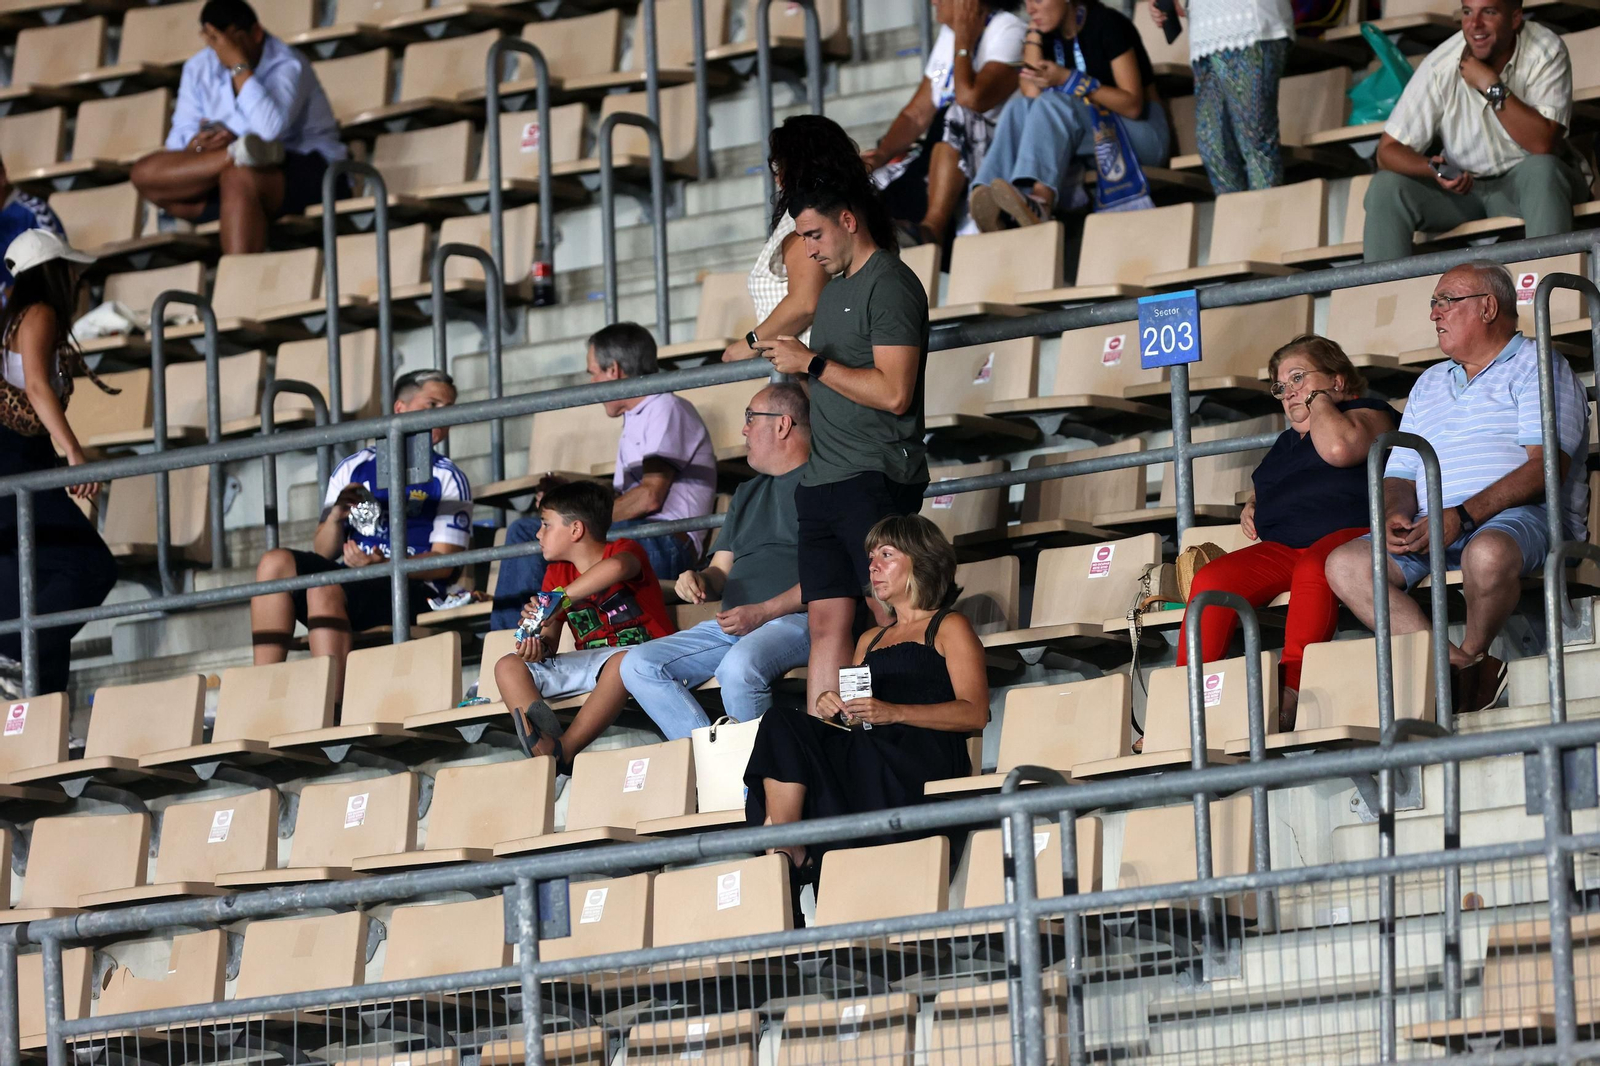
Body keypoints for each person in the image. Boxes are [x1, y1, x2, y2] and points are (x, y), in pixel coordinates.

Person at [1325, 262, 1589, 714]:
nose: (1435, 314)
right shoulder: (1429, 381)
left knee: (1485, 552)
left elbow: (1545, 467)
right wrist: (1393, 512)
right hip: (1435, 522)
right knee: (1346, 564)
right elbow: (1401, 474)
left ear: (1488, 307)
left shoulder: (1539, 362)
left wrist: (1463, 516)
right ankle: (1459, 666)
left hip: (1518, 516)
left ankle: (1476, 651)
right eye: (1434, 303)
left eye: (1446, 301)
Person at [743, 516, 988, 915]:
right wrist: (832, 709)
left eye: (886, 555)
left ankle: (790, 855)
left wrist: (895, 712)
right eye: (871, 557)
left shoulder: (948, 626)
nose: (873, 566)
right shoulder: (868, 639)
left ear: (921, 561)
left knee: (849, 752)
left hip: (919, 757)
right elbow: (857, 717)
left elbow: (975, 713)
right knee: (782, 722)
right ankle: (786, 849)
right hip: (868, 748)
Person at [757, 180, 931, 721]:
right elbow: (834, 385)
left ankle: (901, 722)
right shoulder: (831, 291)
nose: (807, 250)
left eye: (813, 235)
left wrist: (810, 363)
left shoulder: (892, 285)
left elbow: (895, 392)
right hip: (823, 479)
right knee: (826, 622)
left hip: (875, 472)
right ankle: (824, 738)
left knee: (891, 608)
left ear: (849, 221)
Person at [1176, 335, 1399, 728]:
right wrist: (1255, 504)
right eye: (1281, 386)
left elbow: (1340, 448)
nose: (1289, 392)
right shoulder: (1284, 444)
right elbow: (1274, 485)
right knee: (1212, 582)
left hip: (1352, 535)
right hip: (1283, 547)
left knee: (1316, 566)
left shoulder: (1368, 412)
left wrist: (1321, 401)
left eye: (1298, 378)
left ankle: (1290, 690)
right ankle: (1183, 705)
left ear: (1338, 380)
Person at [250, 369, 469, 696]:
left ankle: (333, 710)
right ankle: (261, 692)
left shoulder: (448, 477)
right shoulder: (353, 467)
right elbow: (323, 551)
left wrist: (384, 565)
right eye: (432, 404)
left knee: (323, 588)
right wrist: (337, 517)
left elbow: (445, 564)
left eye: (448, 407)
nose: (442, 415)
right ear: (400, 408)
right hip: (354, 579)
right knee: (275, 562)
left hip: (411, 588)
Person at [491, 323, 715, 631]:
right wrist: (569, 499)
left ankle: (514, 642)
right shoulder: (640, 414)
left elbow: (650, 495)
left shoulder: (664, 407)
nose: (592, 384)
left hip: (662, 541)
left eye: (593, 373)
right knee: (537, 532)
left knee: (530, 533)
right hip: (634, 534)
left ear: (614, 371)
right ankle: (525, 641)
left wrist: (578, 513)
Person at [618, 383, 812, 736]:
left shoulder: (822, 482)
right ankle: (715, 759)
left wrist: (765, 610)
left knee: (738, 668)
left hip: (797, 619)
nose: (744, 429)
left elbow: (832, 576)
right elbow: (720, 571)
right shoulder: (747, 492)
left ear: (783, 425)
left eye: (751, 418)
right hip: (736, 624)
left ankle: (754, 785)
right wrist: (698, 579)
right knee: (638, 665)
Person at [1362, 0, 1587, 263]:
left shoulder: (1546, 50)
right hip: (1464, 191)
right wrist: (1434, 169)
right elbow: (1387, 151)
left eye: (1489, 12)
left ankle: (1548, 294)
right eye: (1468, 12)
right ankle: (1383, 296)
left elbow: (1542, 144)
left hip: (1527, 184)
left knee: (1542, 169)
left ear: (1515, 18)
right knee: (1385, 186)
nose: (1474, 24)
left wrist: (1491, 84)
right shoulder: (1441, 63)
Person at [129, 0, 346, 255]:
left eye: (235, 41)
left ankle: (240, 290)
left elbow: (268, 131)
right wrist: (197, 145)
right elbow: (178, 143)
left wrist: (238, 66)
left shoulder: (288, 63)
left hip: (309, 166)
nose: (225, 51)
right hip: (224, 168)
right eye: (218, 43)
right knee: (143, 173)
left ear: (256, 33)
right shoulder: (197, 68)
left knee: (238, 178)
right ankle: (238, 153)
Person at [0, 230, 117, 698]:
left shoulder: (11, 317)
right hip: (15, 463)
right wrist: (73, 451)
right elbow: (35, 386)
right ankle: (11, 653)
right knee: (90, 567)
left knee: (34, 585)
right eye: (70, 269)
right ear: (54, 272)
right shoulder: (40, 313)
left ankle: (43, 713)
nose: (76, 279)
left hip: (20, 461)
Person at [494, 480, 675, 772]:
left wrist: (559, 600)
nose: (538, 534)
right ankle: (544, 745)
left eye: (546, 525)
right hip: (591, 663)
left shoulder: (625, 549)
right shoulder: (555, 573)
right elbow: (551, 642)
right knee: (507, 666)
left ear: (576, 530)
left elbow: (616, 569)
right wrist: (536, 648)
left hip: (644, 654)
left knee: (620, 664)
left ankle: (566, 749)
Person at [968, 0, 1170, 227]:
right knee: (1018, 109)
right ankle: (985, 194)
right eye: (1026, 2)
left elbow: (1133, 106)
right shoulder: (1048, 34)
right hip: (1094, 138)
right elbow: (1032, 94)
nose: (1030, 9)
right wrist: (1033, 32)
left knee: (1054, 102)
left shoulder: (1107, 23)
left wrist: (1069, 80)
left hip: (1143, 136)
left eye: (1038, 0)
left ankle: (1042, 201)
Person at [861, 0, 1026, 245]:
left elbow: (970, 98)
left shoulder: (1010, 30)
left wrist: (963, 44)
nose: (933, 1)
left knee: (956, 113)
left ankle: (933, 228)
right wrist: (880, 156)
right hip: (943, 155)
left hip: (991, 155)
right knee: (865, 184)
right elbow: (916, 114)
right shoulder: (951, 33)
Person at [720, 116, 851, 362]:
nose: (777, 176)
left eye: (780, 165)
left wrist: (749, 345)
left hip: (809, 365)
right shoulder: (843, 210)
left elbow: (805, 302)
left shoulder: (807, 221)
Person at [1150, 0, 1294, 193]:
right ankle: (1239, 221)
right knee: (1214, 148)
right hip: (1205, 33)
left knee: (1255, 142)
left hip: (1250, 23)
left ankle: (1265, 221)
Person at [0, 163, 66, 304]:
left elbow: (55, 282)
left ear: (2, 176)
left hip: (29, 317)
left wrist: (5, 298)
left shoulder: (35, 214)